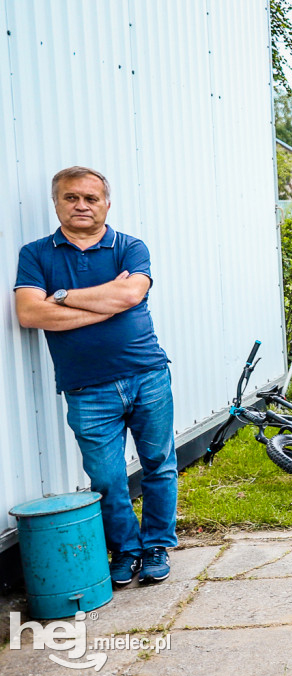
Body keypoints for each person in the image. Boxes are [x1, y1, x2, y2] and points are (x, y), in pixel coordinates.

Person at [15, 166, 177, 586]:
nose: (82, 205)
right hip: (86, 387)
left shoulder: (129, 246)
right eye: (71, 198)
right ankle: (125, 550)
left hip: (147, 374)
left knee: (158, 464)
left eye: (91, 198)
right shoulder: (36, 254)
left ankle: (157, 544)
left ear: (106, 203)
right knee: (106, 478)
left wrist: (63, 298)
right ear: (57, 203)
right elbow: (30, 312)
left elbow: (129, 294)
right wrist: (104, 303)